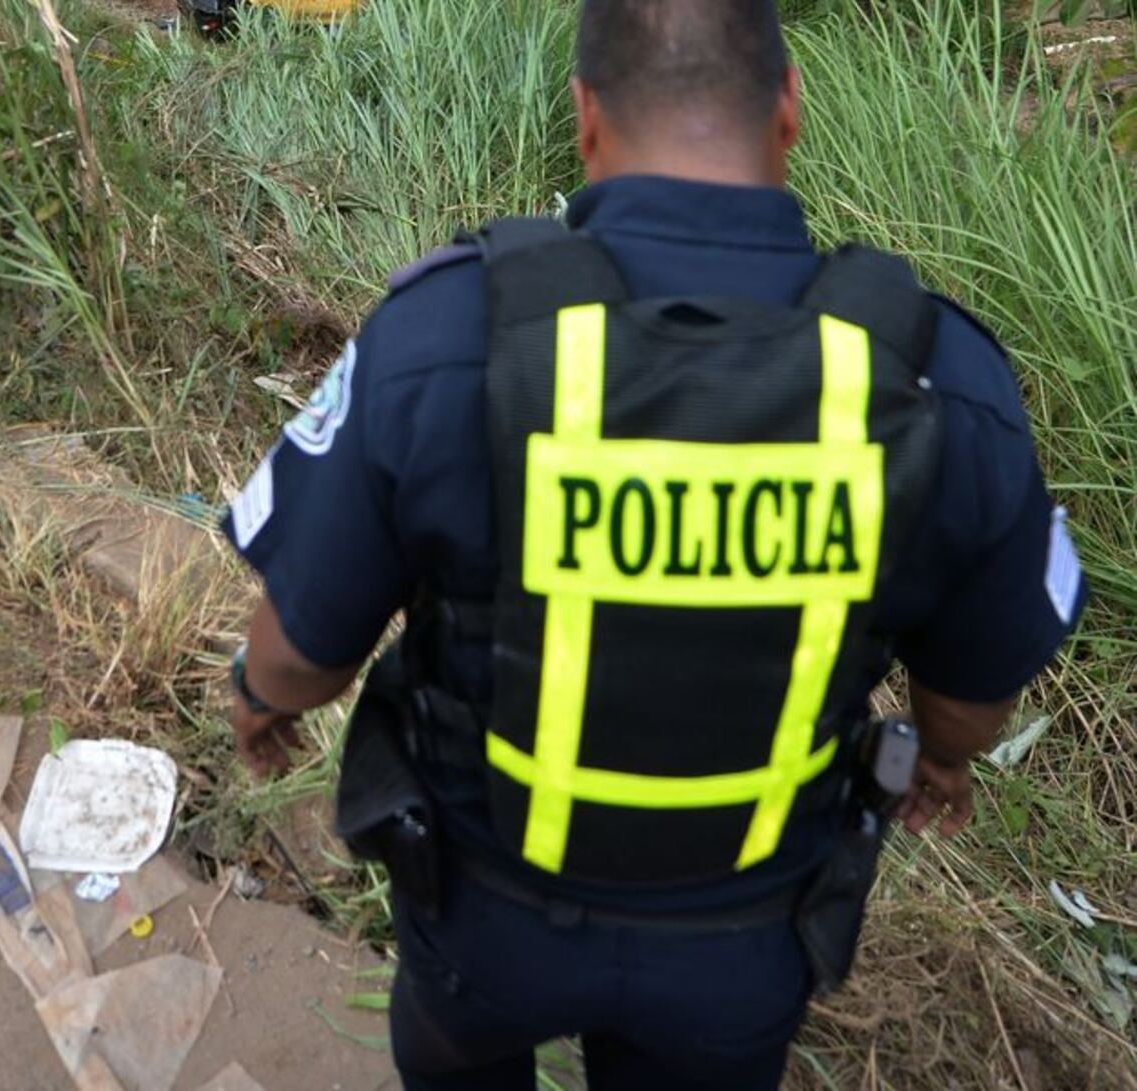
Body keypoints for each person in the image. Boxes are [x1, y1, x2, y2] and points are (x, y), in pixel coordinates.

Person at [221, 2, 1087, 1087]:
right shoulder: (938, 379)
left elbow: (304, 650)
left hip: (483, 917)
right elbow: (971, 687)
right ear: (790, 107)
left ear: (584, 116)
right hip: (743, 944)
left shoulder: (446, 339)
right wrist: (946, 759)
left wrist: (261, 702)